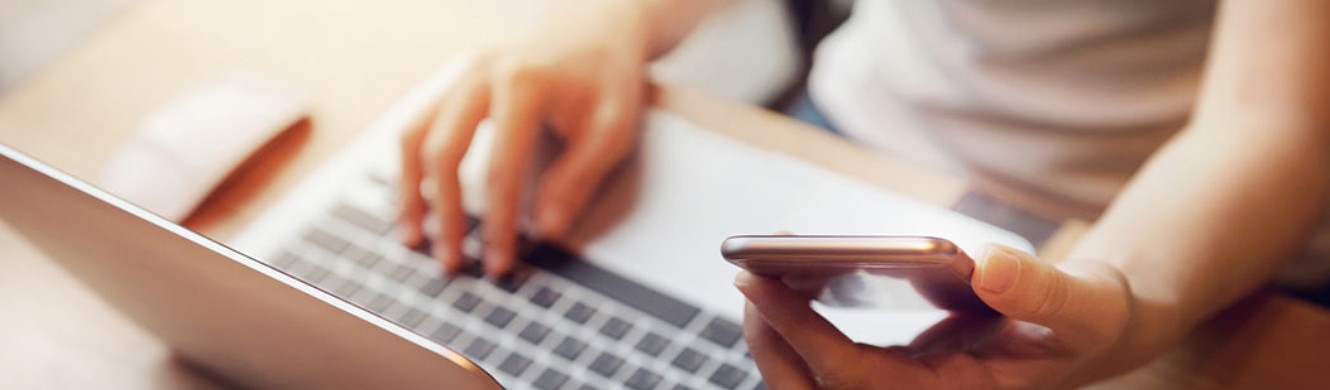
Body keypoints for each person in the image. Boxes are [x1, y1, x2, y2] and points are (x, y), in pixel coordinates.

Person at [396, 0, 1330, 387]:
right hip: (852, 133)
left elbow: (1271, 123)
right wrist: (619, 21)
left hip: (1169, 242)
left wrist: (1123, 304)